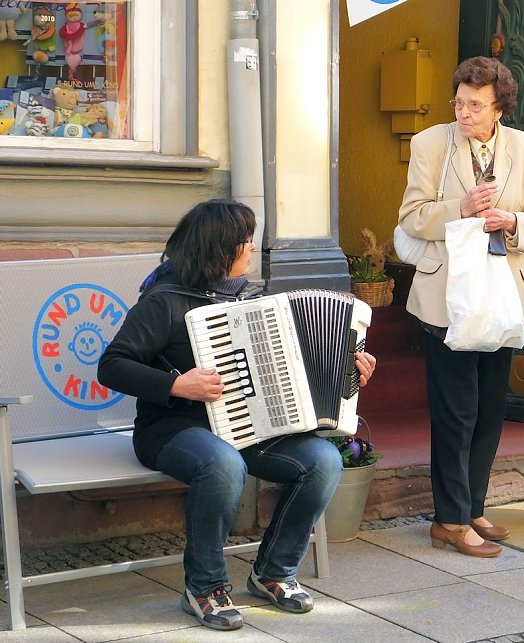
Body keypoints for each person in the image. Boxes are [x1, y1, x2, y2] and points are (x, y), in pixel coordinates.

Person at [97, 199, 376, 630]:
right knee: (223, 464)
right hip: (173, 429)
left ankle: (273, 573)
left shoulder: (254, 301)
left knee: (322, 461)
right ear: (217, 249)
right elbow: (112, 364)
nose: (251, 249)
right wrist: (176, 384)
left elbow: (298, 372)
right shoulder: (164, 300)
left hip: (252, 428)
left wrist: (349, 370)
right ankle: (205, 587)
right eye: (244, 241)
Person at [398, 56, 524, 558]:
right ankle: (449, 519)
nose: (464, 112)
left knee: (489, 410)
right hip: (448, 297)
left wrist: (510, 221)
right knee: (455, 411)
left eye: (476, 105)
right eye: (459, 101)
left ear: (499, 107)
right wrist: (458, 210)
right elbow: (412, 217)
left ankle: (473, 507)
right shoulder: (431, 144)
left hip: (503, 296)